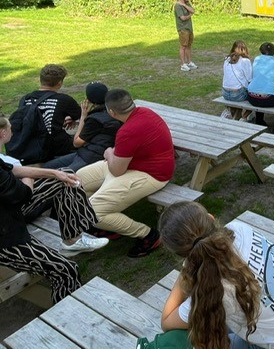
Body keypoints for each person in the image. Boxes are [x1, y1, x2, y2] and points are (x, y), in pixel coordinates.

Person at [158, 201, 274, 349]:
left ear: (182, 254)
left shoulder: (212, 289)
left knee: (189, 337)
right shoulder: (238, 229)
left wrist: (188, 268)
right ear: (211, 218)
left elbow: (166, 322)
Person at [0, 114, 109, 303]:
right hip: (6, 237)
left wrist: (54, 173)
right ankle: (65, 316)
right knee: (66, 271)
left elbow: (13, 170)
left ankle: (73, 239)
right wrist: (31, 176)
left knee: (65, 177)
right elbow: (23, 194)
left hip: (10, 213)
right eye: (10, 128)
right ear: (2, 133)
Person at [77, 89, 175, 257]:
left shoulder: (128, 131)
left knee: (92, 211)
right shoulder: (145, 112)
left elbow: (116, 170)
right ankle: (108, 224)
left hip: (151, 174)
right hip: (130, 164)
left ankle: (148, 235)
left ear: (111, 112)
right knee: (77, 180)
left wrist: (108, 152)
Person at [6, 64, 81, 164]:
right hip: (52, 148)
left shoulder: (25, 99)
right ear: (59, 83)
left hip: (28, 144)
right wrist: (70, 118)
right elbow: (80, 115)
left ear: (40, 80)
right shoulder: (63, 100)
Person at [42, 82, 122, 171]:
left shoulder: (94, 119)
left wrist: (83, 116)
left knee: (61, 174)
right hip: (87, 153)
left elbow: (76, 143)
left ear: (89, 100)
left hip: (90, 157)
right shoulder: (113, 111)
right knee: (47, 167)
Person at [247, 42, 274, 127]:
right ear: (273, 51)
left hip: (251, 97)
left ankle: (259, 120)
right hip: (269, 99)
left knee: (261, 88)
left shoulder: (257, 59)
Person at [221, 40, 253, 120]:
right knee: (254, 96)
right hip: (237, 94)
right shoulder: (245, 61)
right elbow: (249, 78)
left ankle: (234, 115)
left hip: (225, 93)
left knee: (239, 92)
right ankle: (244, 117)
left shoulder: (227, 59)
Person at [174, 0, 197, 72]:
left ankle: (189, 62)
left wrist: (184, 5)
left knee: (188, 46)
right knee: (183, 46)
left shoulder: (186, 3)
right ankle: (183, 64)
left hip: (189, 28)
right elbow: (183, 18)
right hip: (183, 28)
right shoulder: (177, 6)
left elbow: (193, 11)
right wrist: (190, 15)